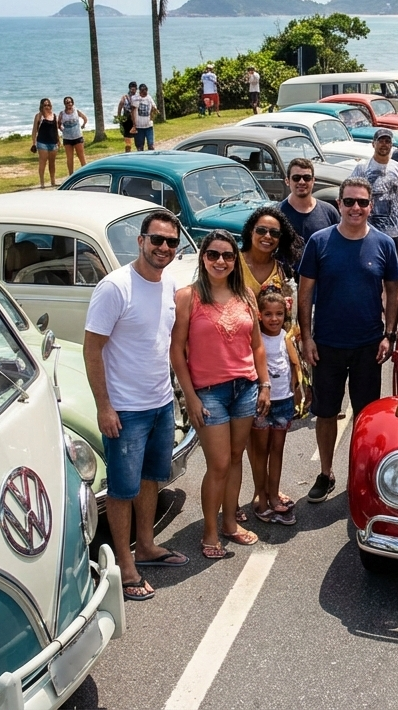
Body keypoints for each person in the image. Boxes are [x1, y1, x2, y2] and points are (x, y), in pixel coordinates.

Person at [83, 209, 188, 603]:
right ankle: (125, 565)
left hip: (160, 403)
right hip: (125, 410)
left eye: (171, 242)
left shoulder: (167, 286)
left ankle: (147, 546)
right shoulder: (115, 287)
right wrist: (104, 407)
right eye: (156, 239)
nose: (163, 247)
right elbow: (92, 349)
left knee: (150, 481)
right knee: (122, 490)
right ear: (140, 241)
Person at [297, 177, 398, 503]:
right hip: (326, 345)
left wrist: (389, 333)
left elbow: (394, 290)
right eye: (349, 202)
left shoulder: (384, 244)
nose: (356, 208)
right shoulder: (319, 241)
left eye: (362, 202)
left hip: (368, 345)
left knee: (366, 415)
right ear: (339, 204)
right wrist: (307, 337)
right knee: (326, 413)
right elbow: (305, 292)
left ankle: (362, 476)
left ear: (371, 207)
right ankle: (326, 474)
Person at [170, 230, 267, 560]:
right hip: (208, 393)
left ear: (235, 259)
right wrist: (190, 397)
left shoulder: (246, 297)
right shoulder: (188, 297)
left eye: (227, 255)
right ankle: (209, 531)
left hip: (245, 388)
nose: (220, 261)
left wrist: (264, 384)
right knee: (219, 463)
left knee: (236, 457)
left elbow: (256, 345)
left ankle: (229, 522)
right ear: (203, 257)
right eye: (213, 254)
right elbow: (177, 351)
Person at [250, 287, 304, 525]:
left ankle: (274, 494)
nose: (274, 319)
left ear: (285, 314)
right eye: (269, 314)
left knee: (278, 450)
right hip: (263, 403)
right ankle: (260, 496)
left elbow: (294, 364)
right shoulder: (256, 339)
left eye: (279, 314)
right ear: (259, 315)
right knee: (261, 452)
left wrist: (299, 388)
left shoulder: (286, 336)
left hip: (284, 402)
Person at [350, 128, 398, 256]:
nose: (384, 144)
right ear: (373, 144)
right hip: (368, 231)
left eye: (387, 141)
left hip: (394, 232)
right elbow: (350, 194)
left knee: (392, 271)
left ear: (391, 144)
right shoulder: (362, 168)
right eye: (381, 141)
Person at [278, 158, 340, 243]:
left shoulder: (329, 212)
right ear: (287, 181)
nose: (302, 182)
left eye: (307, 178)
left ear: (313, 181)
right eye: (296, 178)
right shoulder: (277, 213)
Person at [32, 98, 60, 188]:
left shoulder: (54, 116)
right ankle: (42, 183)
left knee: (52, 163)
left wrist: (58, 140)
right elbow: (34, 130)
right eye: (45, 105)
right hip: (42, 142)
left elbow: (56, 129)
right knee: (42, 162)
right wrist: (33, 143)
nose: (47, 107)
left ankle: (53, 181)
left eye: (48, 105)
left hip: (53, 142)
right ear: (41, 106)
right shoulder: (39, 116)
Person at [58, 96, 88, 175]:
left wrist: (83, 125)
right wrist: (62, 130)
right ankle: (71, 175)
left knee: (81, 156)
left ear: (72, 103)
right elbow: (58, 124)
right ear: (65, 104)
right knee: (69, 158)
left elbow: (85, 118)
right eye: (67, 102)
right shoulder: (62, 114)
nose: (69, 104)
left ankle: (85, 173)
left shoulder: (76, 111)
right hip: (67, 138)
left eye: (70, 102)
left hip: (78, 137)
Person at [130, 84, 158, 151]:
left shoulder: (149, 98)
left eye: (145, 90)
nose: (144, 92)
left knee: (151, 146)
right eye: (142, 90)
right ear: (139, 91)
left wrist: (153, 115)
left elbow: (154, 108)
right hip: (139, 127)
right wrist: (134, 124)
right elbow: (133, 111)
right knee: (140, 147)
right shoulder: (135, 98)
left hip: (148, 127)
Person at [117, 82, 138, 151]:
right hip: (127, 120)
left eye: (134, 89)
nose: (133, 90)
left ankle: (135, 151)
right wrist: (119, 118)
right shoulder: (125, 97)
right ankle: (128, 153)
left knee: (137, 140)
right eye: (132, 89)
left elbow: (120, 107)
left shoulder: (137, 97)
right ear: (129, 89)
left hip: (135, 120)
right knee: (127, 140)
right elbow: (120, 106)